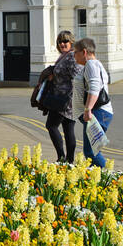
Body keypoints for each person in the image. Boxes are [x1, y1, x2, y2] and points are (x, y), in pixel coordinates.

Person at [73, 36, 113, 168]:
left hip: (97, 112)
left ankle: (108, 176)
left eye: (75, 52)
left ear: (84, 52)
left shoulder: (91, 64)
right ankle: (99, 179)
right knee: (91, 150)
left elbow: (95, 87)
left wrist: (88, 109)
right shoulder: (94, 65)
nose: (74, 55)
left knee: (91, 151)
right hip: (98, 112)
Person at [44, 30, 79, 163]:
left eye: (65, 41)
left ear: (71, 42)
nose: (62, 44)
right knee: (67, 128)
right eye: (60, 42)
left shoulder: (71, 57)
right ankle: (69, 161)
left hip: (64, 99)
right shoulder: (64, 56)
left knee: (51, 126)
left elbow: (76, 77)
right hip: (65, 99)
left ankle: (62, 157)